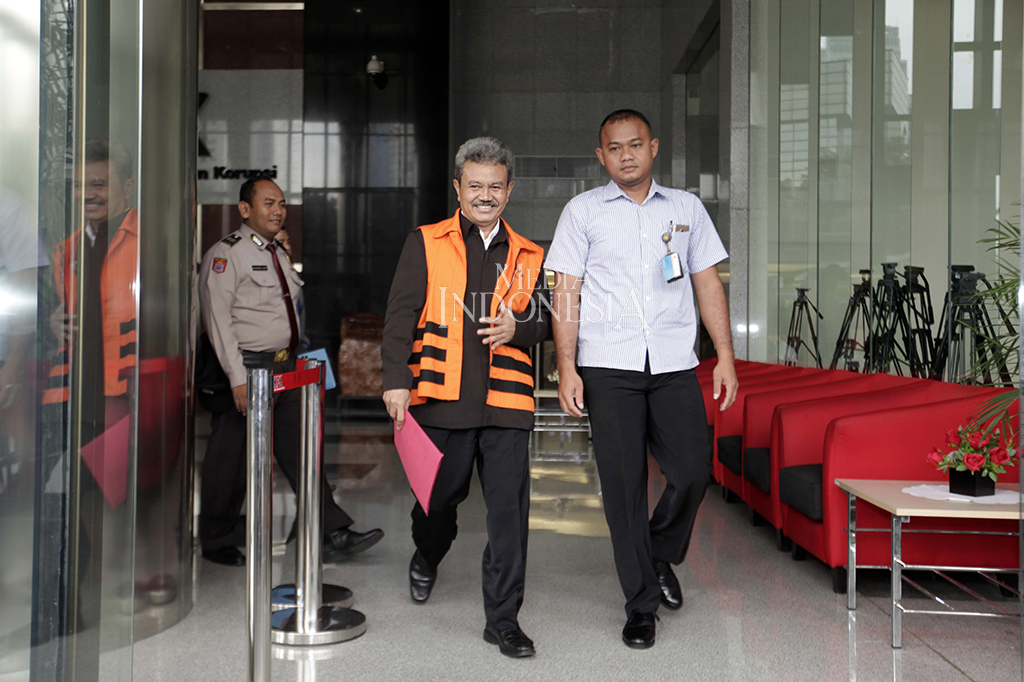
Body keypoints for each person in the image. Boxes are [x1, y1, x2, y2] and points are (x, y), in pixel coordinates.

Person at [545, 109, 739, 649]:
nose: (625, 155)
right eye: (614, 147)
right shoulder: (582, 212)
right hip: (609, 365)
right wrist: (567, 367)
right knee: (624, 487)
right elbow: (566, 292)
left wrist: (724, 355)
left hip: (674, 362)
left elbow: (707, 283)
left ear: (653, 148)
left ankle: (657, 553)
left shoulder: (686, 209)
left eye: (635, 144)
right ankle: (640, 605)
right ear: (601, 156)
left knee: (693, 470)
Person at [381, 137, 550, 658]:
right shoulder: (426, 241)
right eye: (475, 185)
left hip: (506, 404)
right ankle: (427, 554)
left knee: (508, 517)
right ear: (458, 187)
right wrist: (395, 379)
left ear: (509, 190)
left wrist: (518, 327)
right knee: (437, 503)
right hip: (442, 399)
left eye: (495, 186)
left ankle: (503, 621)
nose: (485, 195)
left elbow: (547, 320)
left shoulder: (530, 253)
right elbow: (400, 314)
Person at [198, 177, 383, 566]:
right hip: (249, 371)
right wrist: (237, 378)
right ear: (245, 209)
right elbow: (218, 321)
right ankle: (216, 540)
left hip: (286, 368)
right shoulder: (226, 254)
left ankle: (329, 531)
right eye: (268, 203)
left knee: (304, 453)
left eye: (281, 203)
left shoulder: (277, 251)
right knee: (230, 461)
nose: (278, 210)